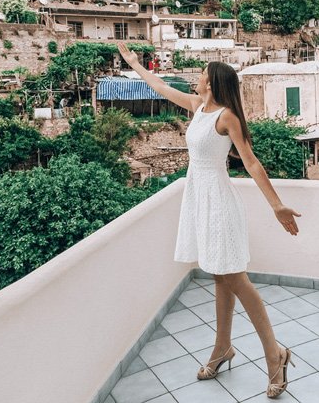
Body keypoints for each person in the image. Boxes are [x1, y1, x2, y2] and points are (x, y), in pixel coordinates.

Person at [118, 43, 301, 399]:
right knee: (219, 274)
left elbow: (250, 162)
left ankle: (275, 355)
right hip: (199, 198)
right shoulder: (198, 106)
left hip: (219, 201)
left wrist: (277, 206)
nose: (197, 77)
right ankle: (222, 348)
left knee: (236, 279)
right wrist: (135, 65)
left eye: (202, 73)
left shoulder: (226, 116)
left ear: (213, 82)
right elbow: (159, 88)